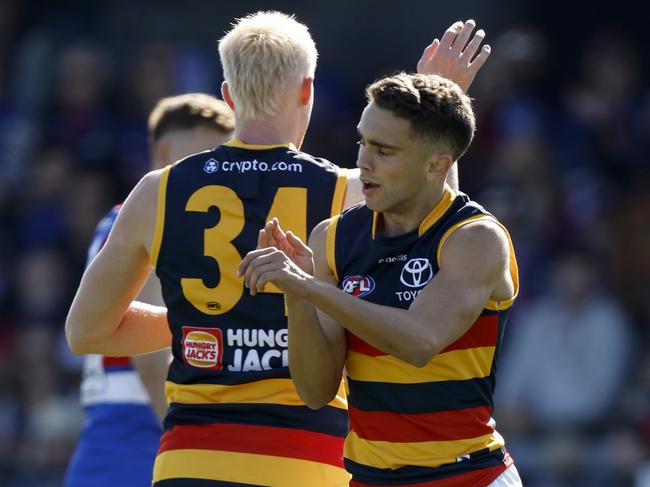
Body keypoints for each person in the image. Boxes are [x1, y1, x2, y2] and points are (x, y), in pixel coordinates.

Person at [66, 11, 491, 486]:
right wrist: (437, 105)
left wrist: (205, 323)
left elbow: (87, 334)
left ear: (228, 96)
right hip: (309, 457)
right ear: (307, 90)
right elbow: (433, 249)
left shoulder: (155, 192)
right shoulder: (350, 193)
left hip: (190, 460)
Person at [239, 73, 521, 486]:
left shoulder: (476, 237)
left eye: (384, 150)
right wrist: (296, 299)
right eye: (362, 142)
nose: (363, 163)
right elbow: (316, 392)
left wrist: (310, 288)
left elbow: (418, 342)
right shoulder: (333, 236)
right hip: (369, 478)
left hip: (467, 476)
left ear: (437, 165)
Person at [64, 93, 235, 487]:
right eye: (204, 155)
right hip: (141, 432)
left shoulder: (120, 220)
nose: (214, 170)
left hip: (112, 434)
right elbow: (154, 354)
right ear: (164, 149)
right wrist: (183, 449)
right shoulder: (159, 218)